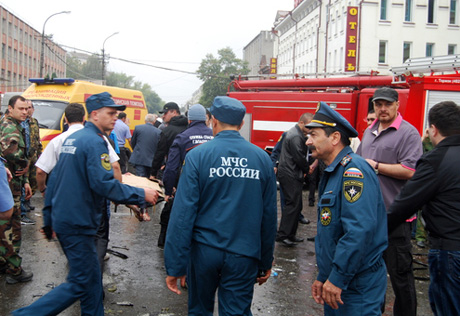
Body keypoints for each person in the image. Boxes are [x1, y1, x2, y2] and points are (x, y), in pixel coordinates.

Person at [12, 92, 159, 316]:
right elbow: (104, 184)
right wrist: (141, 194)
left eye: (117, 114)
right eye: (110, 114)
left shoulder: (72, 139)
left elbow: (57, 179)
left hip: (70, 221)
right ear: (94, 114)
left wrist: (50, 218)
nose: (115, 119)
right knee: (81, 282)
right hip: (77, 224)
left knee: (91, 285)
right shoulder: (93, 142)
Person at [164, 96, 277, 315]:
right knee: (236, 311)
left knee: (199, 310)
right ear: (241, 124)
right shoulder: (262, 159)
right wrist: (265, 260)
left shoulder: (197, 156)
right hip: (244, 253)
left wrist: (175, 265)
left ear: (213, 121)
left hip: (204, 251)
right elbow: (269, 215)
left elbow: (183, 214)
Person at [307, 102, 387, 315]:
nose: (308, 141)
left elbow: (358, 231)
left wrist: (337, 278)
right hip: (338, 281)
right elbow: (331, 231)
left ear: (334, 138)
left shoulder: (354, 172)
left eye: (313, 135)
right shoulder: (335, 171)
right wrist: (323, 276)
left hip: (355, 285)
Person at [387, 101, 460, 316]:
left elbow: (405, 204)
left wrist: (376, 229)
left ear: (433, 129)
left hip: (450, 249)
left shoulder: (435, 160)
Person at [356, 87, 422, 316]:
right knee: (372, 273)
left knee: (400, 275)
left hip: (396, 217)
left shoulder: (408, 133)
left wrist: (376, 166)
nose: (383, 109)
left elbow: (411, 170)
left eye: (387, 104)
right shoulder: (369, 131)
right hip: (370, 216)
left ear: (397, 105)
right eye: (378, 105)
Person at [158, 104, 213, 248]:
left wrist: (169, 191)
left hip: (189, 187)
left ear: (189, 120)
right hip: (212, 188)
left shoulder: (183, 137)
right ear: (206, 119)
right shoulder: (214, 136)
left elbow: (171, 168)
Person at [0, 95, 33, 284]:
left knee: (7, 225)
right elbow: (10, 152)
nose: (25, 112)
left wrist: (26, 179)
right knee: (11, 227)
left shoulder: (17, 125)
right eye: (20, 108)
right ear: (10, 109)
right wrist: (25, 162)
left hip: (14, 182)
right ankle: (14, 269)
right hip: (9, 185)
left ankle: (4, 262)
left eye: (26, 108)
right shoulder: (9, 126)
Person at [275, 113, 313, 247]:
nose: (310, 130)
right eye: (308, 126)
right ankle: (284, 235)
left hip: (289, 172)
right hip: (290, 173)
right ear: (301, 123)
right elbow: (299, 157)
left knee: (295, 205)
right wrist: (307, 169)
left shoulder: (294, 133)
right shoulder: (296, 136)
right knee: (292, 205)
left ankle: (290, 234)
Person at [150, 102, 188, 179]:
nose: (163, 116)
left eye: (165, 113)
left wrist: (153, 173)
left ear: (174, 112)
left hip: (173, 172)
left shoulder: (167, 131)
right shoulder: (189, 128)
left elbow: (160, 153)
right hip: (190, 172)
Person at [129, 113, 161, 178]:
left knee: (140, 179)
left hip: (139, 157)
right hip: (151, 160)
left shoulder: (138, 128)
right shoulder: (158, 132)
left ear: (145, 120)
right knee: (148, 179)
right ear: (154, 121)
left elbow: (133, 142)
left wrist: (136, 150)